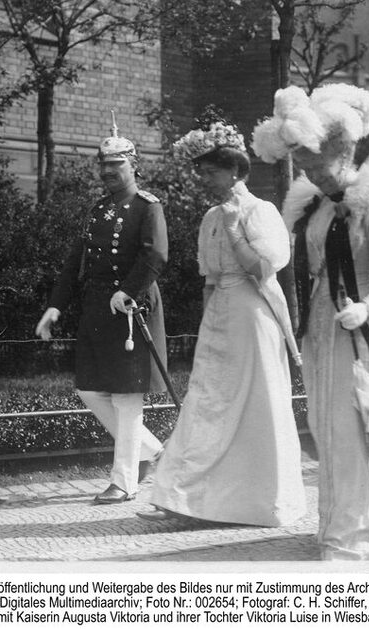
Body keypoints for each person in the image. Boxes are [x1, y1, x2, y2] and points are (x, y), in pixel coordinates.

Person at [253, 84, 369, 560]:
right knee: (329, 428)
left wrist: (367, 306)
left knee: (365, 430)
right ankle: (346, 521)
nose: (312, 174)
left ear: (345, 154)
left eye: (319, 165)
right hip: (324, 329)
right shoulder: (312, 206)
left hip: (368, 332)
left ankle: (355, 535)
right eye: (307, 167)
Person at [137, 121, 306, 526]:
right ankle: (189, 499)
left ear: (235, 173)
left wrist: (236, 231)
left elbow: (264, 268)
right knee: (209, 399)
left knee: (255, 402)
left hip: (254, 313)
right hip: (222, 314)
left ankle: (257, 501)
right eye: (203, 174)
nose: (206, 181)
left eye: (212, 173)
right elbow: (210, 279)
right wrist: (206, 326)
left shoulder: (259, 211)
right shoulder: (211, 216)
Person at [35, 118, 167, 504]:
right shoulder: (98, 209)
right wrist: (55, 306)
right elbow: (75, 260)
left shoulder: (147, 208)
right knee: (88, 389)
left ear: (133, 166)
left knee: (127, 397)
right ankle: (152, 450)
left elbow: (155, 255)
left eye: (117, 167)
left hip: (132, 309)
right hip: (97, 311)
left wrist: (128, 291)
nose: (109, 174)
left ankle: (124, 482)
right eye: (105, 167)